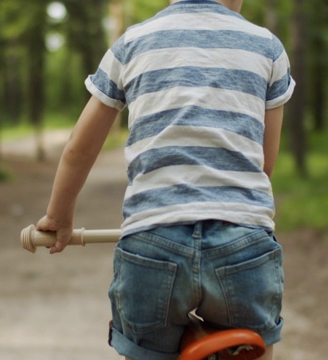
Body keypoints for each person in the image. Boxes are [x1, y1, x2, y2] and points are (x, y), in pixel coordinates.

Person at [36, 0, 295, 359]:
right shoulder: (267, 47)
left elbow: (78, 150)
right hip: (242, 246)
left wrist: (60, 216)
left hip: (152, 247)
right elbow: (263, 165)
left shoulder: (131, 43)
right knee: (253, 349)